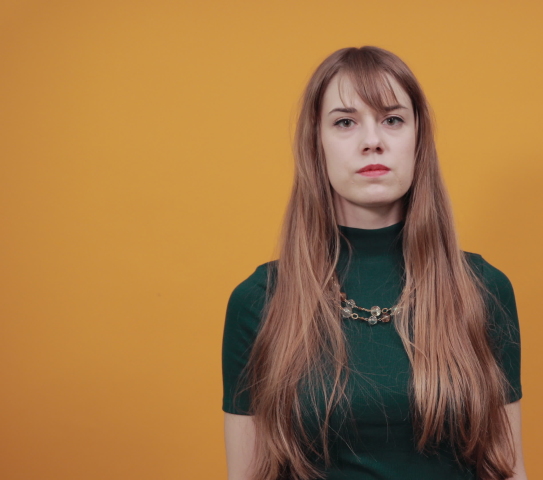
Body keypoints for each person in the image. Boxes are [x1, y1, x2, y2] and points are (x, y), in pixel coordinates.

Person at [222, 46, 526, 480]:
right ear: (316, 143)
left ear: (418, 140)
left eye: (393, 119)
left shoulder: (482, 289)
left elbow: (508, 470)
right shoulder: (260, 301)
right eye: (345, 122)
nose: (372, 141)